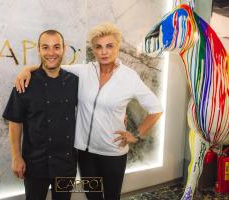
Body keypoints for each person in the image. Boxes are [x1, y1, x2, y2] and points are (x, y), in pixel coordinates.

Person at [15, 23, 163, 200]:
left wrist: (136, 135)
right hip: (85, 155)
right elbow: (52, 67)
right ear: (93, 49)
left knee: (110, 197)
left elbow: (156, 109)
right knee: (93, 197)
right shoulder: (84, 71)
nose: (104, 52)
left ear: (118, 47)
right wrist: (26, 69)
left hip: (112, 153)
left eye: (109, 46)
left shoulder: (128, 77)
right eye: (98, 47)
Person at [2, 30, 78, 200]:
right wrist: (16, 157)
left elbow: (95, 99)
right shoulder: (25, 82)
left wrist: (118, 113)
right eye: (46, 47)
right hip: (34, 164)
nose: (51, 53)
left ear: (64, 49)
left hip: (66, 164)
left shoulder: (74, 81)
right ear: (38, 50)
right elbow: (15, 122)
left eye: (56, 47)